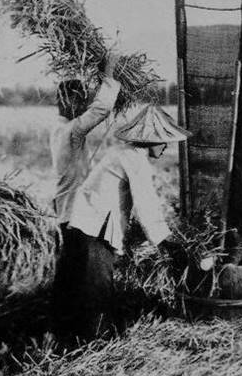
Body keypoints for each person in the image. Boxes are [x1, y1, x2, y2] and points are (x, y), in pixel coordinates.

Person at [59, 104, 191, 338]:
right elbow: (146, 204)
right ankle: (94, 346)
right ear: (150, 140)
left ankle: (76, 340)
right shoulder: (134, 159)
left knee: (82, 291)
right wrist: (167, 244)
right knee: (96, 292)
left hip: (85, 226)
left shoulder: (123, 152)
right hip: (94, 231)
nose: (165, 147)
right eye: (163, 140)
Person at [49, 59, 121, 330]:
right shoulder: (70, 132)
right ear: (69, 102)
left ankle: (62, 334)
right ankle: (89, 334)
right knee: (87, 281)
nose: (84, 107)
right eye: (81, 101)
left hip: (67, 214)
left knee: (70, 279)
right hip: (78, 217)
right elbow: (101, 109)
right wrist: (110, 77)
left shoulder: (57, 129)